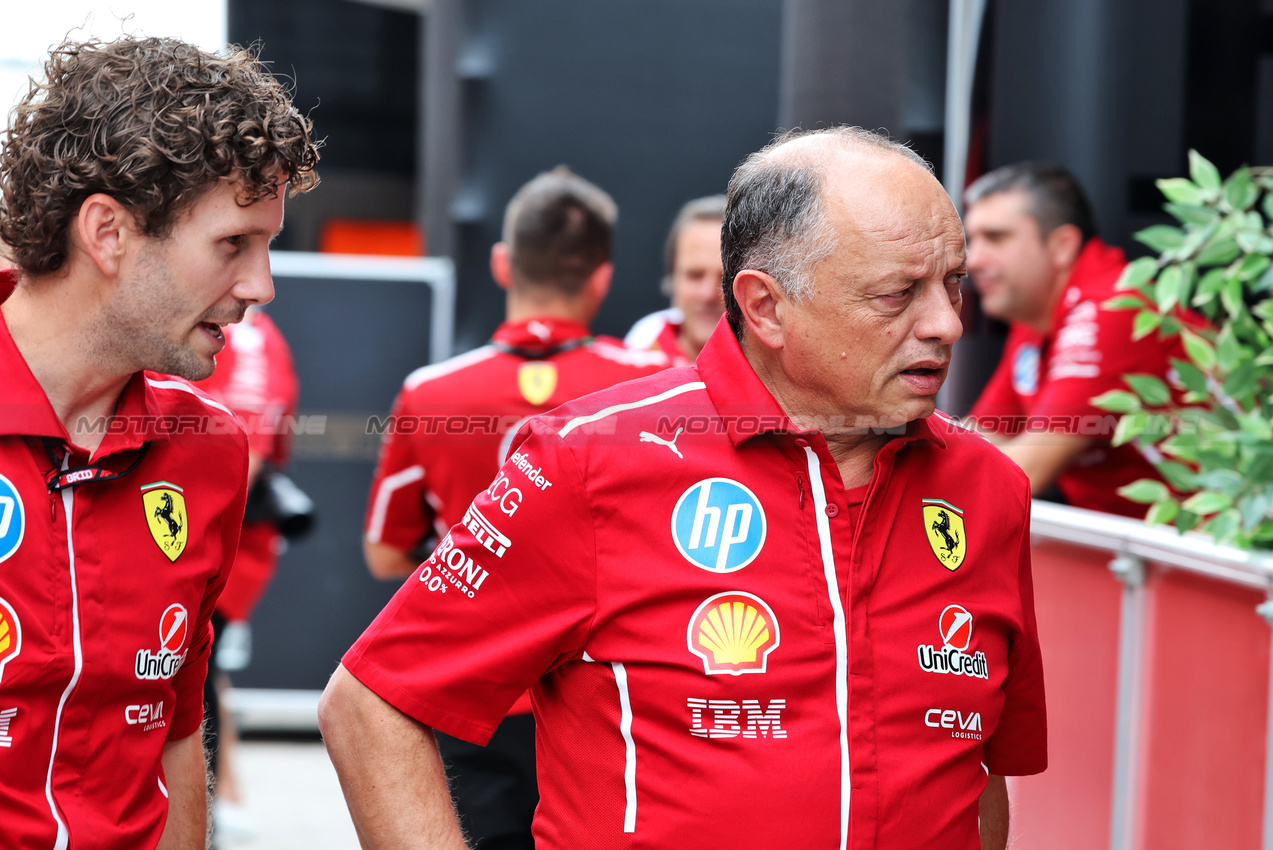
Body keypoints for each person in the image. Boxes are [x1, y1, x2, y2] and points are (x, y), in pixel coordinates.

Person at [320, 127, 1046, 850]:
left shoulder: (988, 489)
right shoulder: (589, 460)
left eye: (953, 282)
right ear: (765, 307)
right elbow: (372, 704)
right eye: (898, 293)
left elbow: (975, 772)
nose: (946, 323)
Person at [0, 36, 318, 849]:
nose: (260, 287)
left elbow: (174, 731)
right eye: (233, 244)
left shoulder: (209, 449)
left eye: (267, 246)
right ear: (107, 232)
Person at [361, 166, 667, 849]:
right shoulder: (654, 391)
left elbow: (384, 555)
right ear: (601, 277)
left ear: (502, 264)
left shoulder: (429, 392)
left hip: (479, 692)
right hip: (611, 693)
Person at [964, 163, 1177, 517]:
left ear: (1062, 246)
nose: (974, 260)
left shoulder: (1113, 307)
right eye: (973, 240)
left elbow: (1023, 473)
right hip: (1138, 548)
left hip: (1221, 551)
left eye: (996, 238)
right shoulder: (1038, 315)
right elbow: (976, 437)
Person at [194, 306, 301, 838]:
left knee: (191, 667)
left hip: (219, 537)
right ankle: (228, 790)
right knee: (202, 667)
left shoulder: (249, 334)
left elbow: (243, 451)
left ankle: (209, 807)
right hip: (195, 531)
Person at [624, 195, 726, 365]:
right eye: (695, 275)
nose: (707, 294)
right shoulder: (640, 350)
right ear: (672, 278)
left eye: (725, 279)